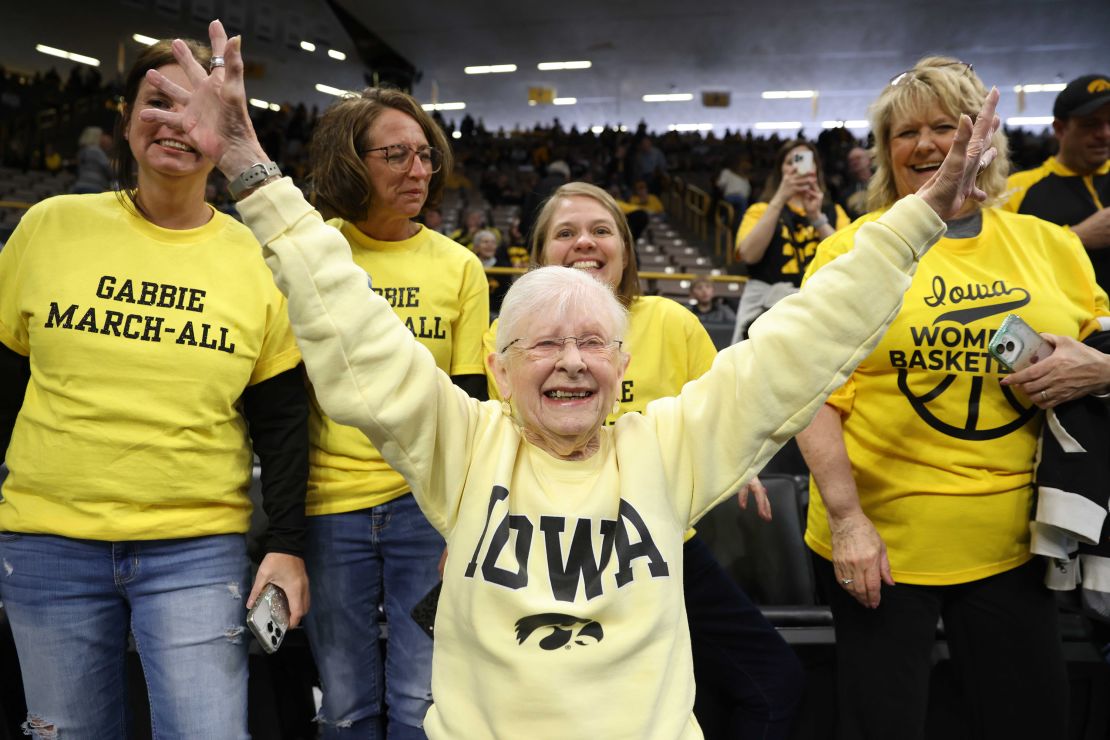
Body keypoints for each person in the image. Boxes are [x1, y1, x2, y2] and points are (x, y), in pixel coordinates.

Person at [145, 21, 1001, 738]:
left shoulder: (669, 448)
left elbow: (801, 347)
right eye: (542, 343)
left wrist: (918, 219)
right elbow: (356, 326)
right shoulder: (461, 444)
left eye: (594, 342)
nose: (571, 359)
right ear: (498, 367)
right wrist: (255, 173)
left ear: (624, 370)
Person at [0, 36, 309, 738]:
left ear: (223, 127)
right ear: (126, 118)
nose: (174, 120)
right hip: (47, 544)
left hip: (195, 549)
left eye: (196, 105)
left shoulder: (257, 259)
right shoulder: (49, 226)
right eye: (157, 101)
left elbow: (283, 419)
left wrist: (286, 542)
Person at [796, 57, 1110, 740]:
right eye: (906, 132)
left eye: (946, 125)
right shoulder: (849, 253)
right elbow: (811, 396)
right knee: (883, 725)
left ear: (984, 140)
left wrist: (1100, 369)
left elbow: (1099, 352)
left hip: (1017, 546)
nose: (928, 144)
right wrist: (847, 522)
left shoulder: (1053, 247)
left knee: (1030, 724)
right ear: (885, 152)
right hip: (879, 548)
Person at [484, 180, 800, 738]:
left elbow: (722, 413)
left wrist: (740, 461)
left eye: (601, 230)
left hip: (663, 551)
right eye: (566, 232)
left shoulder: (672, 322)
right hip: (555, 560)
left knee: (774, 682)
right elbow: (498, 448)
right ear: (538, 257)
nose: (585, 242)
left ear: (625, 251)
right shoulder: (511, 337)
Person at [294, 86, 490, 737]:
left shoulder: (459, 266)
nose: (418, 170)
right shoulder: (315, 253)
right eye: (397, 155)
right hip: (330, 506)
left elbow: (470, 405)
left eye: (426, 155)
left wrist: (464, 520)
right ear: (353, 163)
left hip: (425, 510)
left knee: (421, 703)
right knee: (344, 704)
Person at [732, 140, 849, 342]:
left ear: (816, 168)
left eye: (805, 160)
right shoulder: (759, 210)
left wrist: (817, 217)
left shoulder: (834, 212)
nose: (797, 166)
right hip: (765, 309)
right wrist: (779, 199)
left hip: (818, 308)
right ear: (780, 171)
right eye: (790, 161)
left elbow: (849, 259)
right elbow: (749, 255)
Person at [1003, 73, 1110, 292]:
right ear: (1060, 129)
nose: (1105, 134)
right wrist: (1075, 237)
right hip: (1063, 325)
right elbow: (1000, 262)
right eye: (1091, 124)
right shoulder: (1015, 190)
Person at [70, 125, 112, 194]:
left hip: (80, 185)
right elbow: (108, 168)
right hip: (94, 186)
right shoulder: (96, 151)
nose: (103, 138)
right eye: (101, 135)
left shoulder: (82, 151)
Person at [843, 146, 872, 219]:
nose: (855, 162)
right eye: (851, 160)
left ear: (868, 160)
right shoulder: (846, 193)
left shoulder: (883, 182)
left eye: (858, 158)